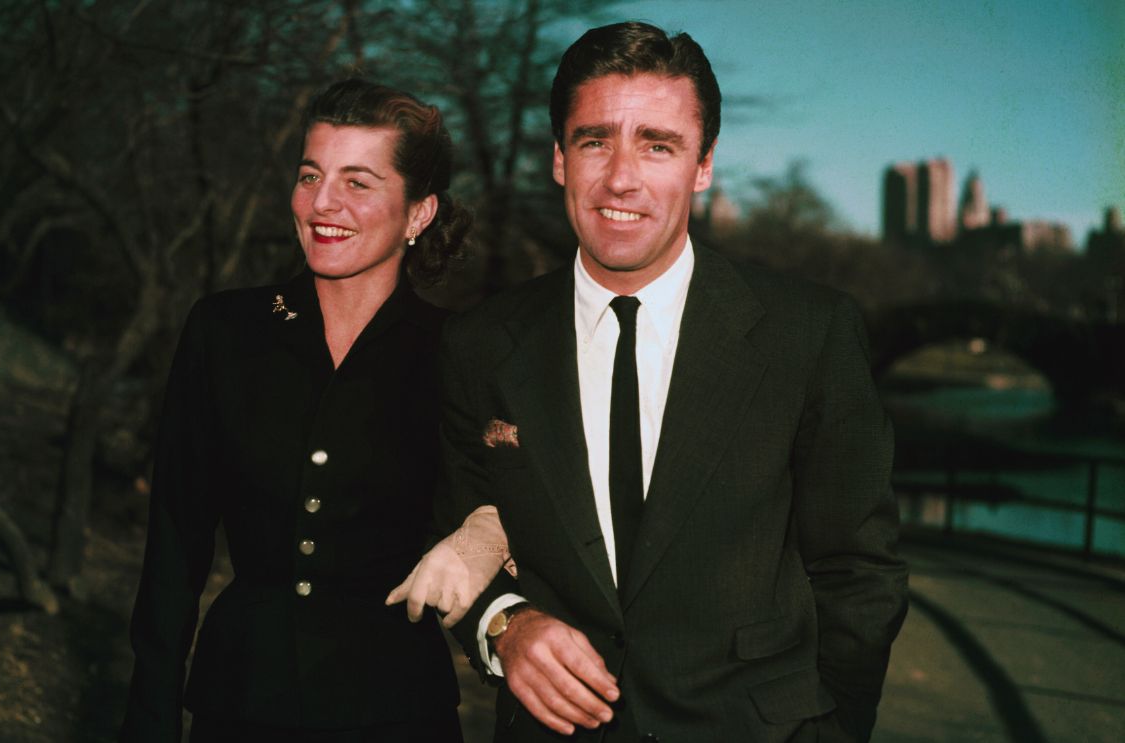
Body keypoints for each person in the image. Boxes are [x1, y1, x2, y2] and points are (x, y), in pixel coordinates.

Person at [432, 22, 909, 743]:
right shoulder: (479, 345)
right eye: (594, 140)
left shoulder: (807, 332)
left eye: (657, 144)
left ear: (703, 165)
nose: (620, 177)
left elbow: (857, 568)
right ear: (559, 160)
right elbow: (449, 519)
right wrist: (503, 624)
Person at [120, 78, 471, 743]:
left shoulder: (458, 351)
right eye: (310, 175)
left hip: (397, 713)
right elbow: (174, 542)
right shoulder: (223, 331)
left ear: (418, 214)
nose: (321, 203)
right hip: (241, 703)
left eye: (357, 183)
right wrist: (150, 715)